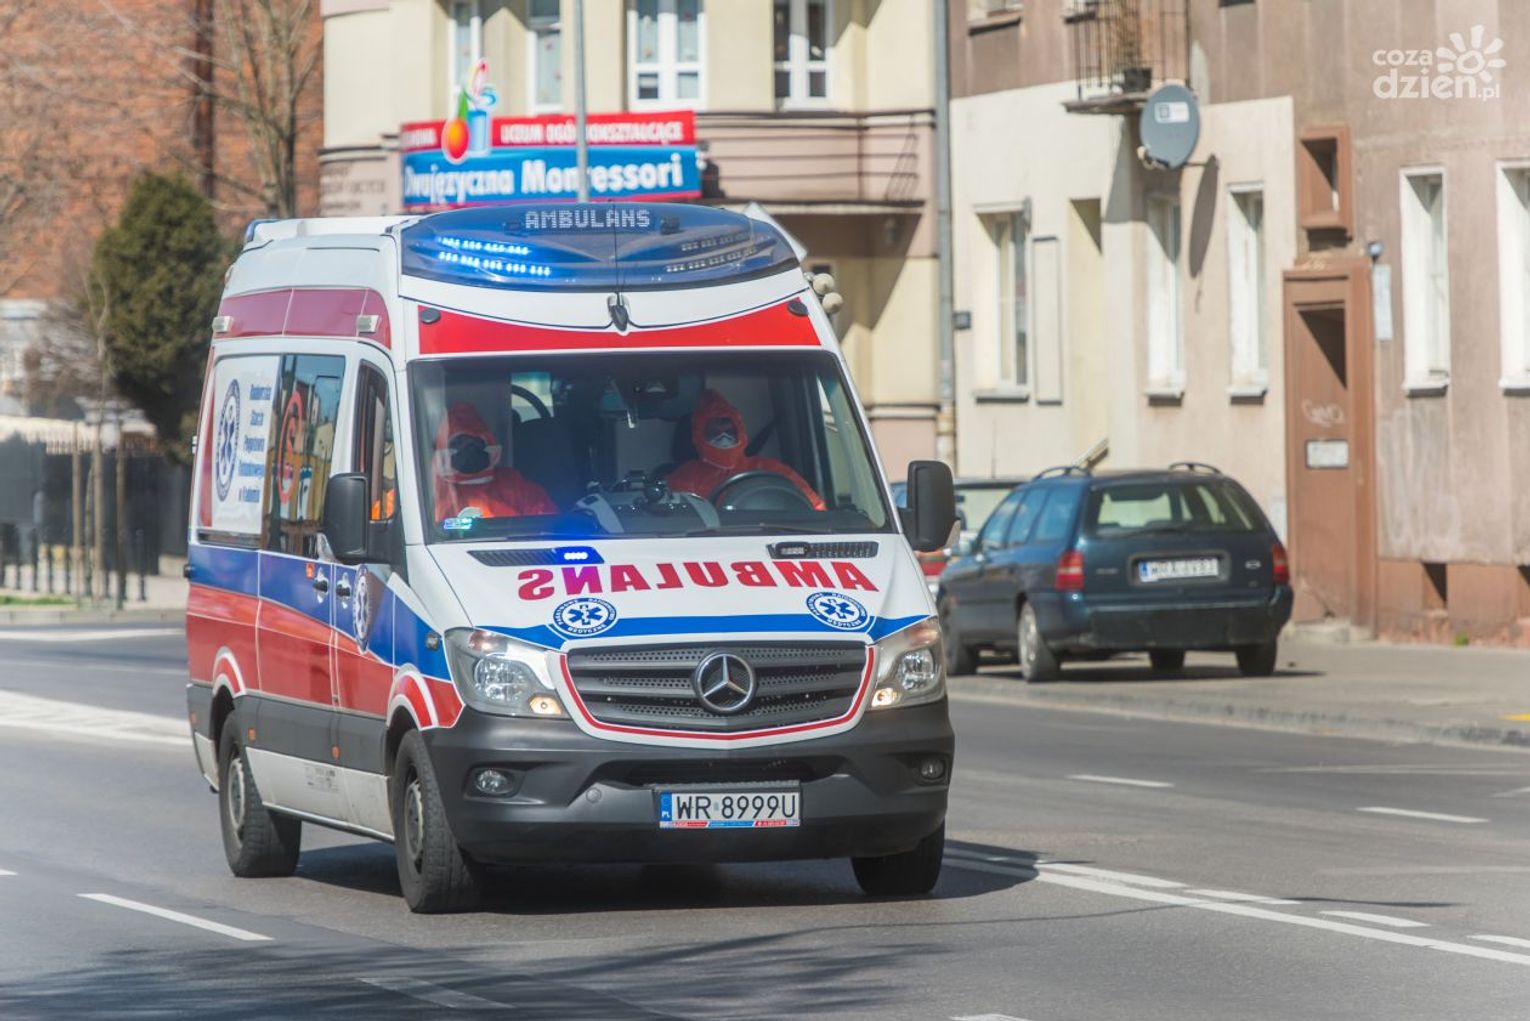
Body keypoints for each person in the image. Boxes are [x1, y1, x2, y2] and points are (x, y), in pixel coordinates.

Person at [666, 389, 825, 510]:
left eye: (729, 432)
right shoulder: (685, 477)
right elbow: (678, 523)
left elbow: (814, 509)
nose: (724, 438)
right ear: (699, 436)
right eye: (715, 433)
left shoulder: (771, 470)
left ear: (740, 431)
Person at [432, 402, 557, 523]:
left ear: (488, 444)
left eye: (476, 442)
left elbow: (544, 522)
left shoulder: (511, 483)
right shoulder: (434, 490)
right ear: (444, 450)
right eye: (458, 443)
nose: (469, 449)